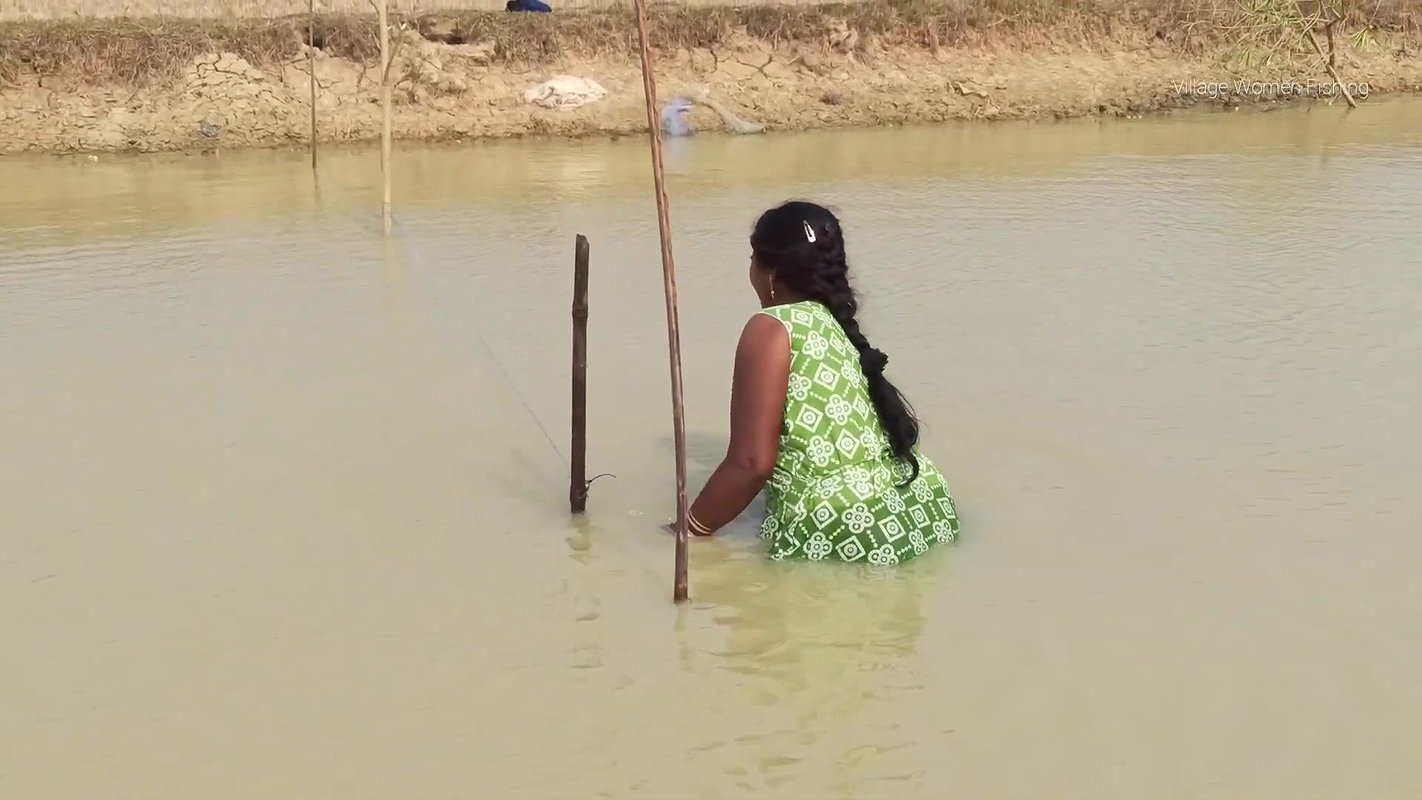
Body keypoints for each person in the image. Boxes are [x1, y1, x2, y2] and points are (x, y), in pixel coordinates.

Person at [679, 200, 960, 564]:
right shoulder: (837, 324)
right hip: (921, 505)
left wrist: (688, 531)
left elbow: (750, 465)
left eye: (753, 259)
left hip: (842, 525)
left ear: (771, 271)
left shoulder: (771, 327)